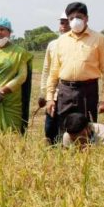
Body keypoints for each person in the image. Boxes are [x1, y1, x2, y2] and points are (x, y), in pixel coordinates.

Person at [45, 2, 104, 135]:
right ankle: (65, 154)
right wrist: (49, 98)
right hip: (65, 91)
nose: (75, 21)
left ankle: (86, 155)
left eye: (79, 17)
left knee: (86, 129)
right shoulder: (61, 40)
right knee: (64, 129)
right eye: (71, 18)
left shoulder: (99, 39)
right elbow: (53, 72)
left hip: (87, 91)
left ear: (86, 18)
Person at [39, 12, 70, 144]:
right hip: (53, 93)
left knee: (67, 126)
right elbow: (46, 69)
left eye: (67, 22)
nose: (64, 25)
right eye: (62, 22)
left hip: (69, 93)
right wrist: (43, 93)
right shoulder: (53, 45)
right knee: (50, 126)